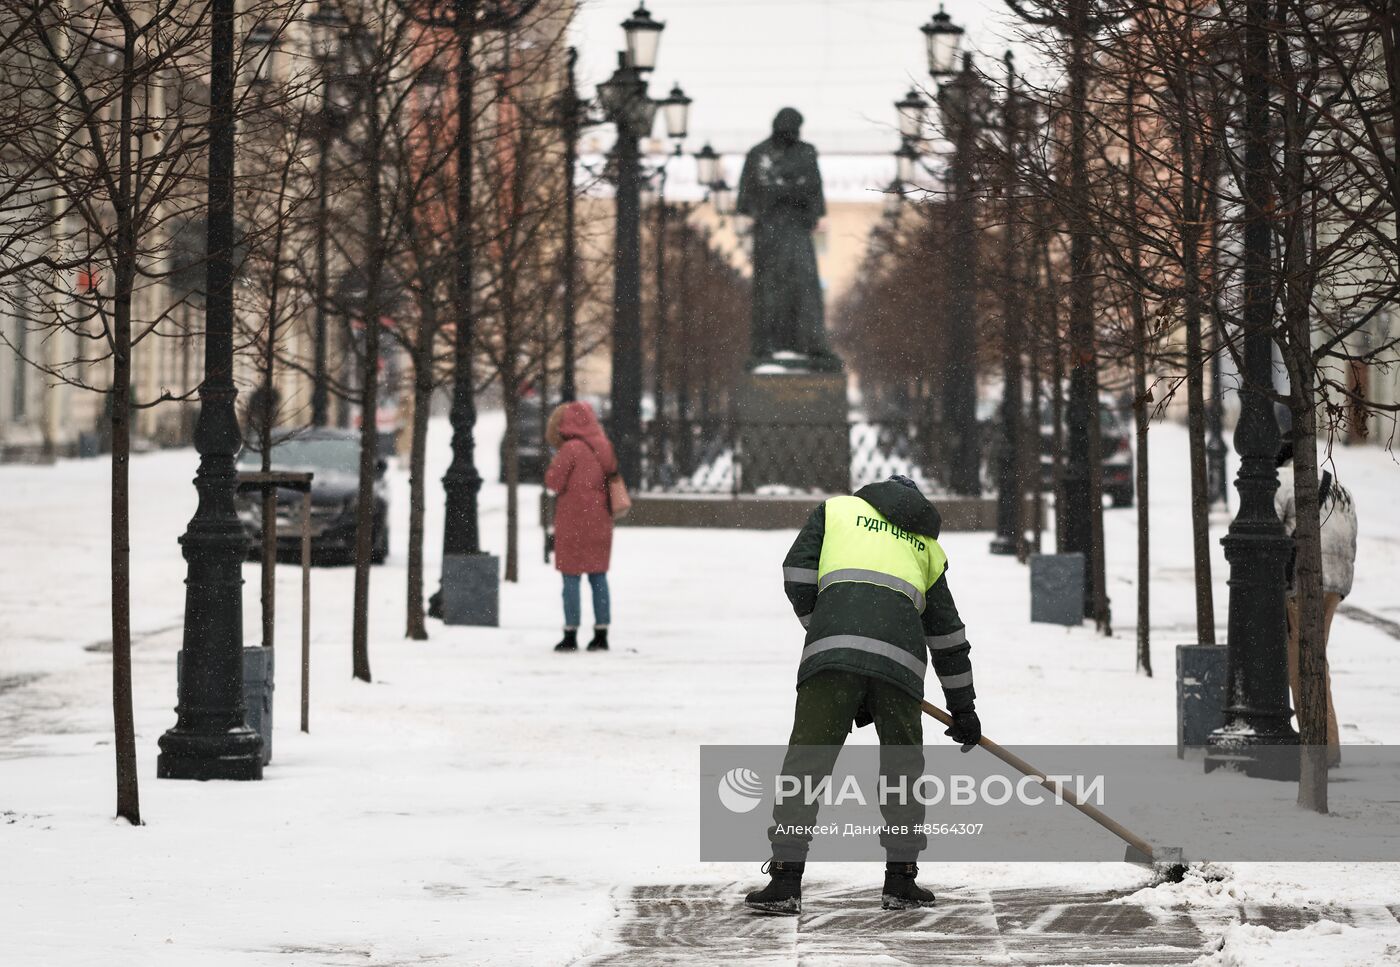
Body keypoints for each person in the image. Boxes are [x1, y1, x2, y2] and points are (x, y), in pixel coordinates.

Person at [744, 475, 981, 915]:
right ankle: (901, 880)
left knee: (807, 764)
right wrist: (962, 708)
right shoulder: (927, 548)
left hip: (831, 655)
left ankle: (785, 881)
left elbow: (796, 572)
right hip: (900, 665)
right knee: (902, 768)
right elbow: (948, 636)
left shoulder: (837, 511)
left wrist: (827, 623)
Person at [1275, 443, 1358, 767]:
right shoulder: (1341, 488)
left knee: (1301, 666)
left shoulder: (1282, 480)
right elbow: (1351, 539)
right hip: (1336, 581)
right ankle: (1327, 742)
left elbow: (1268, 531)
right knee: (1315, 660)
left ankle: (1319, 746)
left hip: (1303, 579)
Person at [543, 402, 616, 653]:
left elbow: (553, 482)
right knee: (598, 576)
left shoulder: (570, 449)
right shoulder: (604, 446)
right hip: (600, 519)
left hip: (572, 521)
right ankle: (601, 633)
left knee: (571, 577)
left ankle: (570, 633)